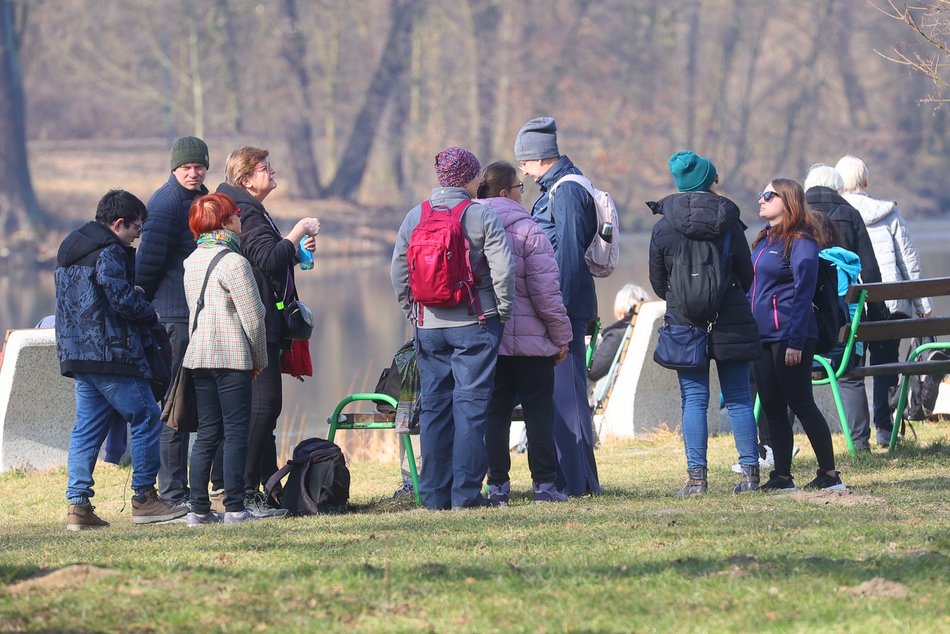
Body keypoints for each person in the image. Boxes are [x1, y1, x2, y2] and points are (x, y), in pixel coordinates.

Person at [56, 190, 188, 530]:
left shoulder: (71, 247)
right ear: (118, 224)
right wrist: (150, 313)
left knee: (86, 429)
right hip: (111, 353)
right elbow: (120, 299)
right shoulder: (109, 251)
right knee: (146, 416)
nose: (137, 238)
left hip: (77, 354)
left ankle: (78, 506)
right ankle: (145, 498)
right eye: (136, 230)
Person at [390, 147, 514, 510]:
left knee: (434, 409)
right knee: (471, 409)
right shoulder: (480, 215)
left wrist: (413, 312)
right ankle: (466, 496)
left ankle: (432, 496)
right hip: (476, 323)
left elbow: (398, 271)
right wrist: (502, 311)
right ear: (471, 178)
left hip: (429, 327)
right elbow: (504, 269)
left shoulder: (416, 215)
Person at [648, 151, 761, 495]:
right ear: (708, 182)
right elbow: (747, 273)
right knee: (740, 397)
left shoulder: (664, 226)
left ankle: (697, 480)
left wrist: (683, 298)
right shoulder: (730, 222)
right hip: (730, 318)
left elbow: (657, 282)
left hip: (684, 319)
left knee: (694, 398)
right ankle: (750, 476)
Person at [216, 147, 320, 517]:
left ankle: (260, 486)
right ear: (246, 179)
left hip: (256, 321)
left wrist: (295, 252)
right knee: (264, 406)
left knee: (261, 410)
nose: (272, 172)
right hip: (254, 324)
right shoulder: (245, 212)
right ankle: (241, 493)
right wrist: (297, 232)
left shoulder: (244, 207)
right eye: (265, 168)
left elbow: (269, 260)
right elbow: (267, 259)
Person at [514, 116, 601, 497]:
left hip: (565, 309)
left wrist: (558, 319)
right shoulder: (558, 187)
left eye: (524, 163)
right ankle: (581, 480)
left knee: (566, 398)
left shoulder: (564, 192)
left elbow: (566, 255)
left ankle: (574, 481)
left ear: (538, 158)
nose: (522, 171)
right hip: (564, 308)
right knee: (567, 395)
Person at [476, 161, 572, 505]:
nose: (523, 192)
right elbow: (547, 293)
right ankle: (544, 485)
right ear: (505, 192)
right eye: (520, 187)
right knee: (538, 414)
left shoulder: (468, 225)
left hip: (489, 340)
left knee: (494, 415)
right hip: (533, 345)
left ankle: (498, 487)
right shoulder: (529, 230)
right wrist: (562, 337)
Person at [750, 179, 846, 492]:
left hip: (791, 336)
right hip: (763, 338)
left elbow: (803, 294)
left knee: (802, 404)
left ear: (788, 201)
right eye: (761, 195)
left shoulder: (801, 241)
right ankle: (782, 476)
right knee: (773, 407)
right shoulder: (764, 240)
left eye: (768, 195)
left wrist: (795, 341)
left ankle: (830, 475)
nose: (761, 200)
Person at [182, 193, 270, 526]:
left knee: (207, 434)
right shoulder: (235, 262)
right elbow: (254, 317)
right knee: (235, 432)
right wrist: (259, 358)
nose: (240, 220)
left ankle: (197, 509)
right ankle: (234, 507)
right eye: (235, 215)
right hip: (232, 357)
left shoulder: (191, 261)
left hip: (199, 357)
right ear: (225, 222)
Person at [835, 155, 932, 447]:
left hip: (854, 310)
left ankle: (859, 437)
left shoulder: (836, 215)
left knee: (853, 366)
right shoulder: (888, 212)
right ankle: (885, 428)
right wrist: (923, 307)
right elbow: (909, 263)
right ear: (866, 181)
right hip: (892, 308)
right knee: (885, 364)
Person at [136, 136, 210, 507]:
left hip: (195, 312)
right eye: (187, 168)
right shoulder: (165, 204)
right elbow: (147, 263)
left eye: (199, 167)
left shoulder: (200, 197)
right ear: (174, 168)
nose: (193, 173)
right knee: (174, 405)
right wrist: (143, 310)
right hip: (172, 315)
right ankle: (172, 491)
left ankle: (189, 488)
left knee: (193, 403)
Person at [804, 164, 883, 452]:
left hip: (809, 334)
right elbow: (871, 273)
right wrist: (877, 315)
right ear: (837, 187)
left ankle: (776, 445)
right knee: (851, 378)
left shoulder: (795, 214)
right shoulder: (850, 214)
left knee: (785, 373)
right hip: (847, 334)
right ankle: (860, 445)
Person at [587, 284, 651, 382]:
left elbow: (593, 371)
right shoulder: (652, 330)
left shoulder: (618, 335)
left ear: (621, 308)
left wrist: (587, 347)